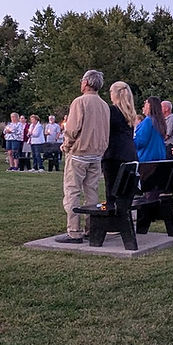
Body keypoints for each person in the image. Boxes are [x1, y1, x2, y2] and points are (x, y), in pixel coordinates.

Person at [56, 70, 111, 244]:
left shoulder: (79, 102)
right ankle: (91, 228)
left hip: (79, 154)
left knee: (72, 191)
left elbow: (72, 129)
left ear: (86, 82)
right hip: (96, 155)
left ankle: (74, 231)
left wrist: (66, 146)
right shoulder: (104, 105)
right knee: (92, 192)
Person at [102, 81, 139, 243]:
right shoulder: (130, 112)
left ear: (115, 94)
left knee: (112, 190)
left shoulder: (111, 111)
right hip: (130, 154)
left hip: (114, 154)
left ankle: (113, 224)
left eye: (110, 91)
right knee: (124, 190)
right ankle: (124, 219)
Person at [135, 96, 167, 163]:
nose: (144, 105)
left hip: (147, 158)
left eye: (145, 102)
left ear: (149, 105)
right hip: (160, 157)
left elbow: (140, 141)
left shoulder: (148, 121)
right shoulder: (160, 121)